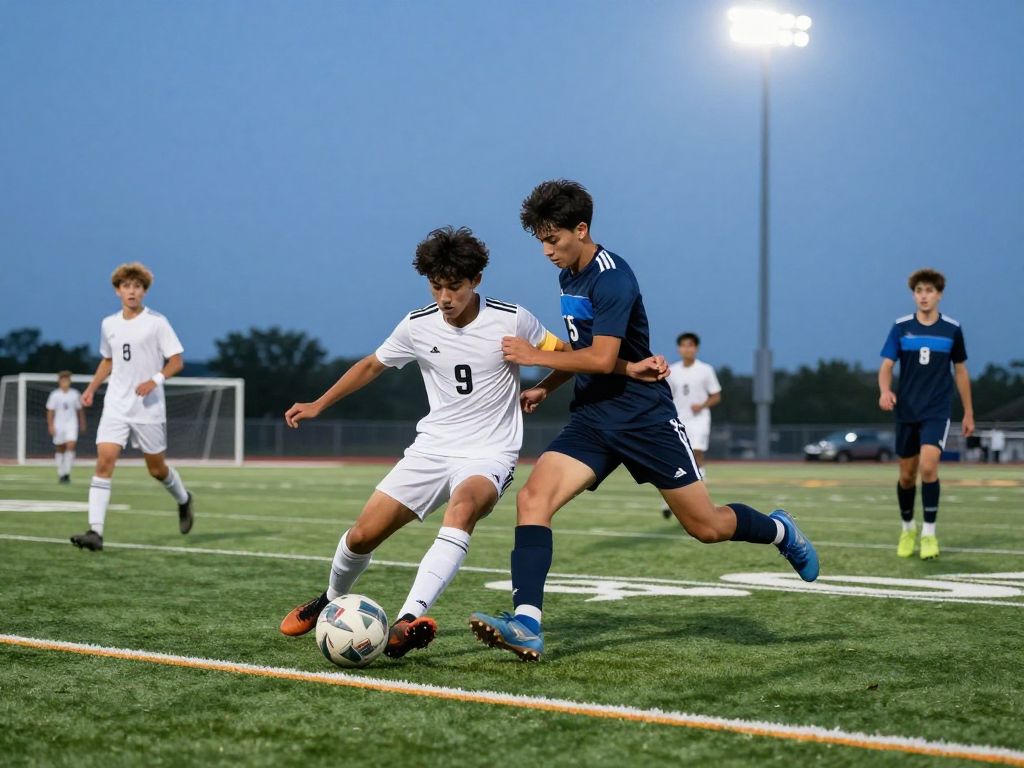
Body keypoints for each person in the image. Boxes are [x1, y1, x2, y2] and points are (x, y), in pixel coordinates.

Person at [469, 179, 819, 662]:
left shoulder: (613, 278)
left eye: (553, 239)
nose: (547, 251)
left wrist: (533, 356)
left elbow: (599, 357)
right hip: (593, 418)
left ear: (581, 229)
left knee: (706, 527)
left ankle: (780, 531)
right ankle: (527, 622)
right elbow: (586, 352)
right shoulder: (568, 275)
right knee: (533, 499)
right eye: (541, 241)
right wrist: (547, 386)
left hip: (643, 418)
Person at [278, 226, 581, 659]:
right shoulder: (417, 325)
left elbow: (568, 356)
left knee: (462, 509)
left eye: (454, 286)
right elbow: (372, 365)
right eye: (436, 286)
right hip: (431, 449)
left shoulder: (512, 318)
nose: (445, 297)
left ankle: (407, 620)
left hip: (489, 454)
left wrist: (543, 386)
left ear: (476, 280)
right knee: (362, 536)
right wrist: (318, 404)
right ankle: (330, 598)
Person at [71, 262, 194, 552]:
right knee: (104, 462)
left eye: (137, 286)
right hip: (116, 405)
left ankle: (184, 498)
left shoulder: (157, 322)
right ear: (117, 290)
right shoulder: (109, 324)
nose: (132, 291)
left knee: (156, 469)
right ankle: (95, 532)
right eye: (126, 286)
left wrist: (154, 380)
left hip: (148, 408)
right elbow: (108, 360)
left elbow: (176, 361)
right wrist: (91, 389)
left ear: (144, 291)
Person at [879, 268, 973, 560]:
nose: (924, 296)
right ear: (913, 295)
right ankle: (908, 528)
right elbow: (886, 366)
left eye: (929, 290)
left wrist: (968, 412)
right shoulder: (901, 327)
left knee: (929, 467)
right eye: (919, 290)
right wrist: (884, 391)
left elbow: (961, 371)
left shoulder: (952, 329)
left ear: (939, 294)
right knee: (907, 476)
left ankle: (929, 534)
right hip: (907, 410)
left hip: (937, 410)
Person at [661, 332, 721, 518]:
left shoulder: (705, 370)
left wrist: (702, 405)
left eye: (690, 345)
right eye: (683, 345)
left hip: (699, 419)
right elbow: (666, 395)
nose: (686, 349)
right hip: (678, 419)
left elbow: (716, 395)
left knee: (697, 453)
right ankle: (670, 500)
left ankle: (701, 500)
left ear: (696, 348)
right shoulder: (672, 370)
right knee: (676, 457)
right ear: (678, 348)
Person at [46, 370, 86, 484]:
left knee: (71, 445)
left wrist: (82, 423)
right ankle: (61, 473)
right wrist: (51, 425)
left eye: (67, 380)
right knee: (60, 448)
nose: (65, 382)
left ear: (70, 381)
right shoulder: (54, 395)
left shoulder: (75, 394)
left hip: (72, 424)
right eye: (63, 380)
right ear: (59, 381)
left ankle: (67, 473)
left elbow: (80, 410)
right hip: (58, 424)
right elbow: (50, 411)